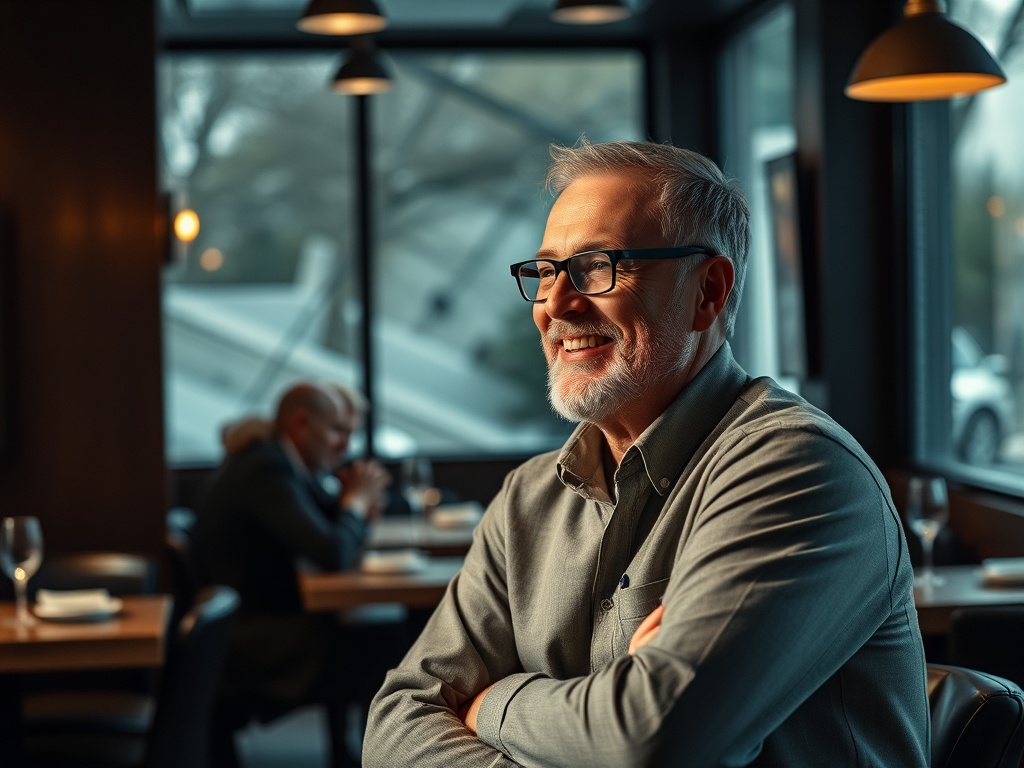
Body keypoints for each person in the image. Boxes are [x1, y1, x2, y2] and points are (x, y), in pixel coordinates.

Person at [363, 139, 929, 767]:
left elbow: (651, 737)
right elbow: (396, 724)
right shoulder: (529, 496)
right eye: (547, 271)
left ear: (708, 293)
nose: (556, 303)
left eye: (598, 265)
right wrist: (594, 715)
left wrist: (494, 702)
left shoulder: (798, 469)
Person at [190, 380, 390, 767]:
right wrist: (355, 505)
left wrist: (354, 505)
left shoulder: (281, 464)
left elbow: (329, 524)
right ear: (301, 424)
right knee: (385, 643)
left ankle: (350, 753)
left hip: (245, 627)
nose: (345, 447)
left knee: (374, 631)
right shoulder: (265, 468)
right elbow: (332, 551)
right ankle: (373, 757)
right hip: (248, 640)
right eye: (337, 431)